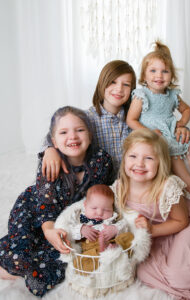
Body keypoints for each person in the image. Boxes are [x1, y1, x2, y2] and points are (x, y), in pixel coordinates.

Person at [112, 128, 190, 299]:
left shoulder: (167, 187)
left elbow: (181, 221)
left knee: (178, 276)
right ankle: (183, 276)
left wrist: (153, 230)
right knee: (143, 273)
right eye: (133, 156)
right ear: (124, 159)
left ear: (160, 162)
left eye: (148, 158)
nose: (139, 164)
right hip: (157, 236)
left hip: (184, 227)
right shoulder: (120, 187)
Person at [0, 106, 113, 297]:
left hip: (68, 218)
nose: (73, 137)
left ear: (90, 135)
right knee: (20, 250)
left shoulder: (101, 161)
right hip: (36, 210)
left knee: (62, 261)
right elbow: (46, 206)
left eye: (79, 130)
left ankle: (30, 270)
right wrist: (49, 231)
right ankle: (14, 265)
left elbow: (99, 197)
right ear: (54, 141)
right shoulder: (50, 161)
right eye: (63, 132)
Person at [42, 60, 190, 182]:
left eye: (126, 84)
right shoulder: (87, 118)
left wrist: (180, 127)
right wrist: (50, 149)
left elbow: (162, 126)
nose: (119, 89)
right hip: (97, 186)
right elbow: (58, 133)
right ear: (102, 83)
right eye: (113, 82)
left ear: (133, 90)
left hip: (131, 182)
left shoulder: (136, 119)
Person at [126, 40, 190, 197]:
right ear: (144, 75)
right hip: (152, 134)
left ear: (172, 76)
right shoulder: (142, 95)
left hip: (170, 129)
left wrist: (181, 123)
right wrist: (149, 132)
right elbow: (131, 120)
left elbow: (187, 110)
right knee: (174, 153)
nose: (159, 76)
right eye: (153, 71)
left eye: (165, 72)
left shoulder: (172, 95)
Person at [69, 184, 128, 252]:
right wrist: (81, 229)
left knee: (126, 238)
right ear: (85, 205)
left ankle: (109, 249)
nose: (100, 213)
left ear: (112, 209)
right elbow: (68, 230)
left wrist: (115, 229)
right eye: (94, 208)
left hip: (109, 246)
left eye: (106, 210)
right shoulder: (78, 216)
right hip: (86, 250)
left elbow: (125, 225)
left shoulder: (112, 218)